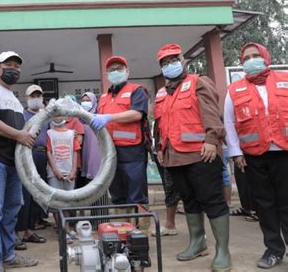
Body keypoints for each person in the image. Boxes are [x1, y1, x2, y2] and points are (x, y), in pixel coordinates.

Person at [153, 43, 230, 272]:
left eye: (173, 60)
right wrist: (159, 147)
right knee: (189, 200)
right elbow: (159, 123)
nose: (169, 65)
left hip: (201, 154)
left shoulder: (198, 81)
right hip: (174, 156)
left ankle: (222, 251)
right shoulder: (161, 92)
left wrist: (211, 140)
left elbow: (212, 112)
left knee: (212, 200)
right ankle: (197, 243)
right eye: (164, 63)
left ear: (183, 60)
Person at [224, 42, 288, 269]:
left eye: (255, 55)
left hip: (284, 153)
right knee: (265, 205)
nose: (251, 60)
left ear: (265, 57)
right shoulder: (235, 89)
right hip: (254, 156)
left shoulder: (285, 79)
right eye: (246, 58)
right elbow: (229, 124)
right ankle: (274, 249)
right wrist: (235, 153)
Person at [0, 51, 38, 272]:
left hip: (14, 164)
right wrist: (20, 135)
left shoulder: (14, 99)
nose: (13, 69)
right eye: (8, 64)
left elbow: (23, 131)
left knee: (11, 209)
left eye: (17, 66)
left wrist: (27, 135)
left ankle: (8, 255)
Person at [91, 55, 150, 215]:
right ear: (107, 74)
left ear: (127, 71)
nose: (115, 72)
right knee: (117, 195)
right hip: (110, 153)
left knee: (137, 196)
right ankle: (123, 231)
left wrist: (108, 117)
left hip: (132, 152)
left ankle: (140, 235)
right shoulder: (104, 97)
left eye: (119, 69)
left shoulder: (136, 91)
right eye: (111, 70)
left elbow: (137, 114)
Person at [15, 85, 47, 249]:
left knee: (37, 196)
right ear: (27, 98)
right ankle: (18, 233)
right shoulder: (22, 115)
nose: (36, 98)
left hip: (43, 156)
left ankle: (29, 230)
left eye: (38, 95)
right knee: (25, 196)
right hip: (28, 155)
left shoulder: (45, 116)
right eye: (32, 95)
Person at [46, 116, 81, 242]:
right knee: (57, 202)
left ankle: (67, 228)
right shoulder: (49, 133)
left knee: (67, 202)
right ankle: (62, 230)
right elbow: (48, 151)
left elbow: (75, 151)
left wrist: (73, 170)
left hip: (69, 172)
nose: (58, 117)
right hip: (54, 172)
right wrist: (55, 170)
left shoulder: (71, 134)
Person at [80, 92, 109, 226]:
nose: (85, 103)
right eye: (83, 100)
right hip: (87, 161)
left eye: (88, 100)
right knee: (91, 193)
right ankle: (93, 221)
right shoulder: (80, 119)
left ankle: (102, 223)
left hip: (99, 160)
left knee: (101, 191)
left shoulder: (99, 119)